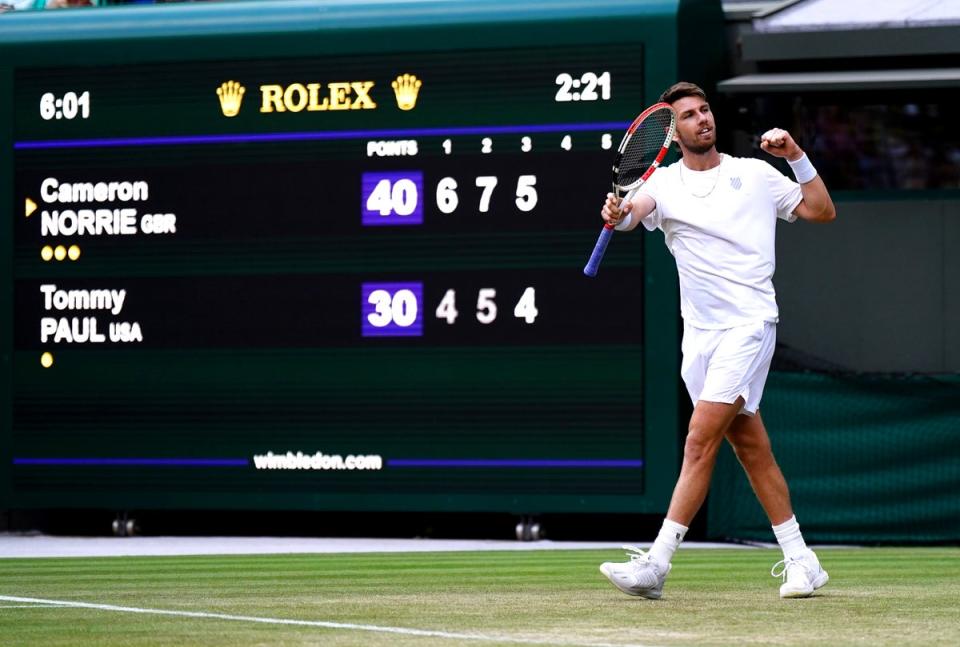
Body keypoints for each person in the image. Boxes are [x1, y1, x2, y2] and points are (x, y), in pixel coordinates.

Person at [598, 81, 836, 600]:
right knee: (750, 447)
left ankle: (656, 564)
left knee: (698, 440)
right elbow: (630, 216)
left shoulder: (753, 174)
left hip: (749, 325)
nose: (702, 119)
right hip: (700, 338)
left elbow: (821, 209)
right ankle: (802, 561)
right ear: (674, 130)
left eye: (705, 111)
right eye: (688, 115)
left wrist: (795, 155)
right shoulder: (660, 183)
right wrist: (616, 215)